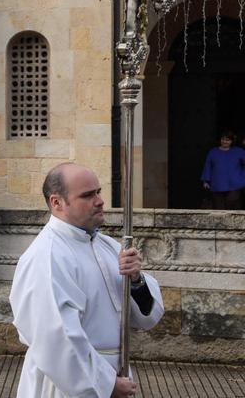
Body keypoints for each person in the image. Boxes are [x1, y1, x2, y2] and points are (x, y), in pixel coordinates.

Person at [9, 163, 164, 397]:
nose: (100, 200)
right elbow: (58, 338)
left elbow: (146, 319)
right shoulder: (48, 257)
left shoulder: (109, 247)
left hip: (113, 374)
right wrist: (106, 384)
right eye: (87, 195)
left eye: (98, 192)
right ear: (57, 202)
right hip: (67, 385)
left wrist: (136, 281)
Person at [200, 130, 245, 209]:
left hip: (235, 184)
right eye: (223, 139)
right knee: (219, 209)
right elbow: (208, 166)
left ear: (232, 141)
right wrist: (205, 180)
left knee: (231, 207)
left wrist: (242, 176)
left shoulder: (239, 151)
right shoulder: (213, 152)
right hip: (217, 184)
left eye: (227, 140)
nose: (225, 142)